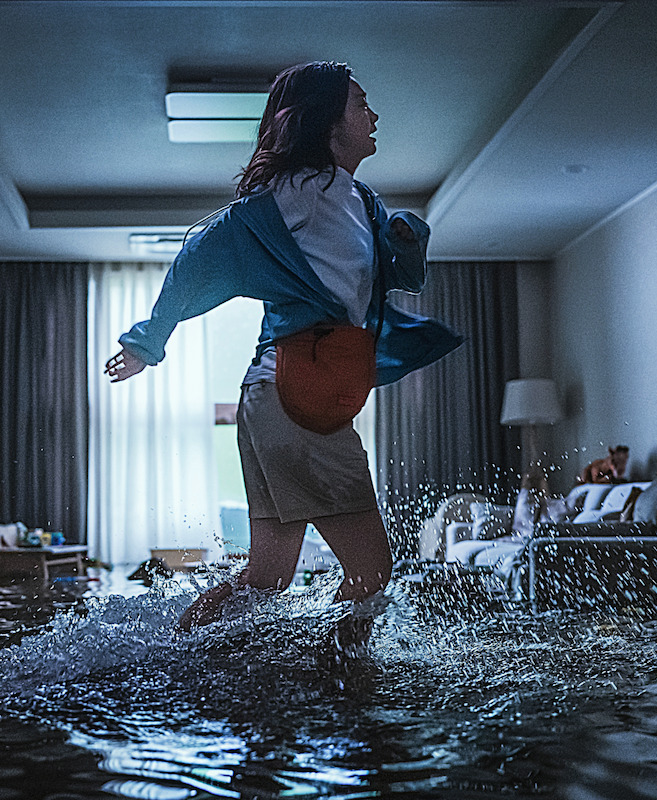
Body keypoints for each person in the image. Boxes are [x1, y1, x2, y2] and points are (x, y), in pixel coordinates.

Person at [105, 61, 462, 631]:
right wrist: (149, 341)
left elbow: (379, 283)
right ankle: (340, 679)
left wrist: (403, 237)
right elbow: (204, 253)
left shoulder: (358, 200)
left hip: (277, 397)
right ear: (326, 123)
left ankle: (177, 653)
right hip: (295, 394)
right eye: (359, 104)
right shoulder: (298, 192)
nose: (373, 116)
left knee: (268, 576)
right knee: (371, 572)